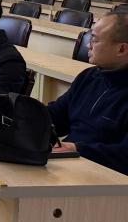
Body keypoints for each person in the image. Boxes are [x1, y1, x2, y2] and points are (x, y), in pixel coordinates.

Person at [48, 13, 128, 174]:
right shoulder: (89, 76)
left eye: (94, 40)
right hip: (71, 163)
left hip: (106, 177)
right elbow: (57, 116)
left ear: (121, 49)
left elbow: (124, 155)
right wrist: (22, 114)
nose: (87, 45)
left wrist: (77, 148)